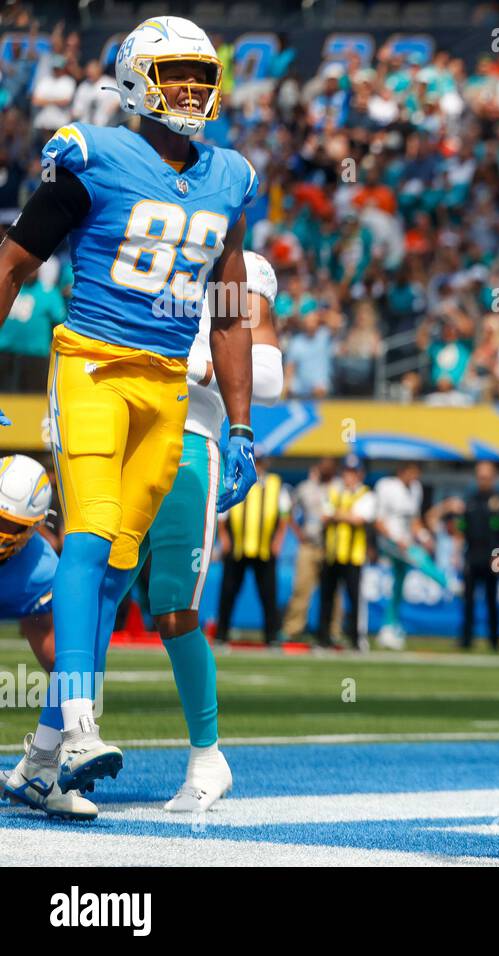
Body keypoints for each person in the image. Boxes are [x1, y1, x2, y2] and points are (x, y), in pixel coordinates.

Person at [0, 15, 260, 801]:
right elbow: (11, 264)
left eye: (200, 73)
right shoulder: (94, 155)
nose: (191, 87)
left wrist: (243, 424)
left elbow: (233, 304)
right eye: (175, 72)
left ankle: (39, 762)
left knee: (114, 580)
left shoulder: (232, 176)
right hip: (91, 366)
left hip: (167, 385)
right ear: (136, 78)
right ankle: (79, 728)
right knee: (86, 539)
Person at [127, 250, 281, 811]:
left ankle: (206, 755)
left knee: (174, 610)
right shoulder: (154, 251)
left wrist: (199, 363)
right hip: (127, 434)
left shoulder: (233, 270)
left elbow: (267, 374)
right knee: (92, 593)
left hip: (190, 438)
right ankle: (54, 745)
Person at [0, 455, 94, 819]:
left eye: (10, 524)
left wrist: (69, 721)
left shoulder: (41, 571)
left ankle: (42, 764)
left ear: (34, 528)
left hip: (19, 590)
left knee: (71, 661)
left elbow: (58, 660)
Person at [216, 457, 291, 648]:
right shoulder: (234, 480)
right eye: (254, 461)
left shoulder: (275, 484)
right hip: (238, 547)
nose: (257, 465)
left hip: (264, 548)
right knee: (228, 592)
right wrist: (224, 538)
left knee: (268, 594)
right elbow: (222, 513)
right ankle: (221, 634)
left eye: (260, 462)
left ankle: (272, 636)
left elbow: (284, 516)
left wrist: (278, 541)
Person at [373, 461, 442, 651]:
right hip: (390, 541)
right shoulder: (385, 486)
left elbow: (414, 521)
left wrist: (424, 536)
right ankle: (448, 582)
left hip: (405, 540)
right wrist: (397, 539)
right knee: (417, 558)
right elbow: (378, 521)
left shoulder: (415, 488)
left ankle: (389, 626)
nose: (415, 477)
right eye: (412, 472)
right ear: (402, 471)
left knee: (399, 584)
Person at [317, 454, 376, 651]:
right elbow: (324, 516)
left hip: (354, 556)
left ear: (360, 474)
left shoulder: (366, 494)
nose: (349, 476)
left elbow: (360, 519)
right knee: (327, 598)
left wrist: (337, 514)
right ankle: (323, 638)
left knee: (355, 599)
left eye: (353, 472)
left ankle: (356, 639)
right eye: (347, 472)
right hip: (332, 554)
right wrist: (343, 515)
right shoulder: (334, 491)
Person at [282, 457, 336, 641]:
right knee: (301, 588)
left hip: (331, 546)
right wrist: (298, 533)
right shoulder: (306, 488)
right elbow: (287, 510)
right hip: (309, 544)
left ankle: (332, 631)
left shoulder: (338, 488)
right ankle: (293, 629)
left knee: (333, 593)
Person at [458, 460, 499, 651]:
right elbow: (463, 528)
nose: (483, 481)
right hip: (472, 555)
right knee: (468, 600)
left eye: (486, 477)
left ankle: (494, 640)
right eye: (480, 477)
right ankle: (466, 639)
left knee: (492, 599)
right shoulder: (471, 499)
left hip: (493, 555)